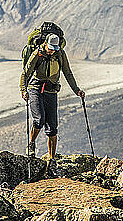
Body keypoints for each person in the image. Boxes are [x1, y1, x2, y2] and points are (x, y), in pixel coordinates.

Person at [20, 33, 85, 175]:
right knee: (39, 119)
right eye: (50, 48)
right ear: (45, 44)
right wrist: (24, 91)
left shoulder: (60, 54)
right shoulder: (37, 54)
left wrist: (77, 90)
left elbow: (68, 73)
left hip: (51, 90)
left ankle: (52, 159)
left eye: (54, 48)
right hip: (35, 88)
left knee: (52, 127)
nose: (52, 50)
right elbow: (25, 74)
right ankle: (31, 144)